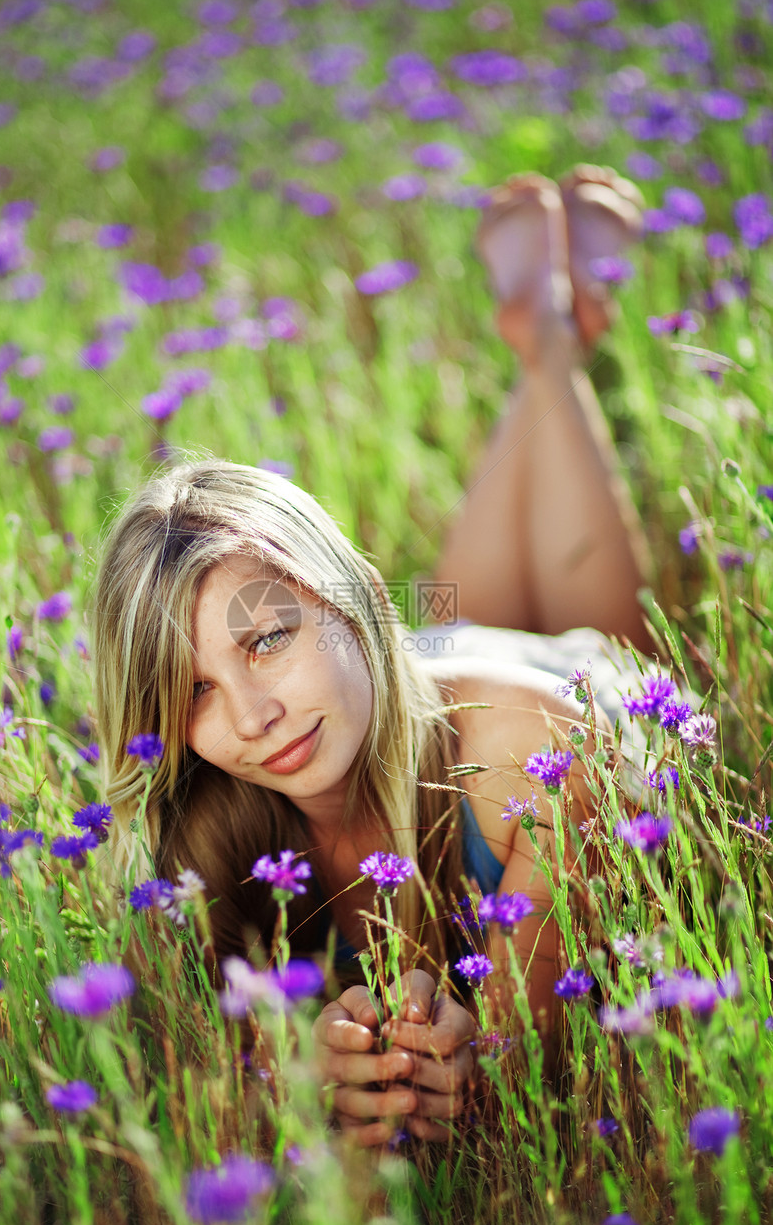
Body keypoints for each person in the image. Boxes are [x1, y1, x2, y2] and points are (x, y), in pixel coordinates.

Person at [93, 167, 652, 1148]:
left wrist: (464, 1061)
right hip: (418, 668)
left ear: (346, 595)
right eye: (193, 694)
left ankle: (554, 341)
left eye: (264, 638)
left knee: (600, 633)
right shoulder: (197, 828)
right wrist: (296, 1068)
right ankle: (540, 330)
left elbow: (515, 1070)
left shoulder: (545, 757)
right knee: (461, 617)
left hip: (557, 686)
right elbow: (204, 1078)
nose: (253, 716)